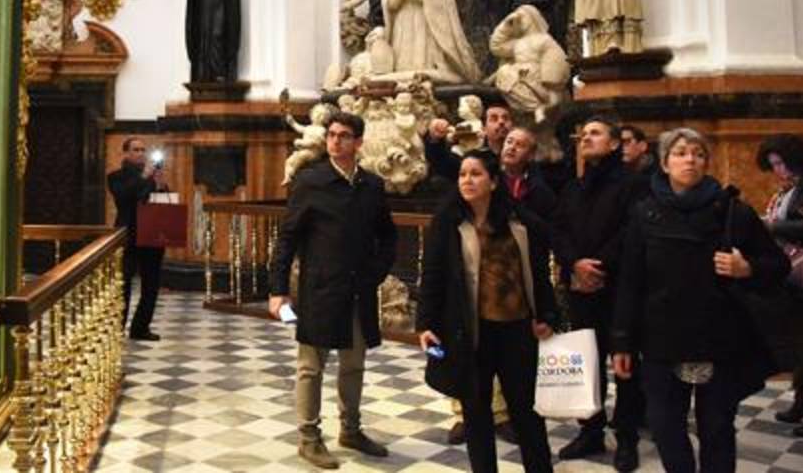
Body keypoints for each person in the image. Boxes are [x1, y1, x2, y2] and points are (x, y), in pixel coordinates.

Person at [613, 128, 790, 472]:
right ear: (664, 163)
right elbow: (630, 283)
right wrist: (621, 341)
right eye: (680, 153)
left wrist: (746, 267)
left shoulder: (733, 211)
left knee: (718, 428)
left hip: (719, 338)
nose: (689, 160)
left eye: (697, 153)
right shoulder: (644, 214)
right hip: (662, 339)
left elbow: (778, 265)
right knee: (666, 427)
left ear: (706, 162)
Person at [268, 112, 398, 469]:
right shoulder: (310, 181)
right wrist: (278, 290)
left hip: (359, 289)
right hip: (320, 289)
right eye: (332, 135)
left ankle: (351, 429)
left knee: (354, 364)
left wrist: (376, 271)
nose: (335, 141)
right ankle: (309, 438)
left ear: (358, 143)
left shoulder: (371, 185)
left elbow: (387, 235)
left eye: (344, 136)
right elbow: (287, 238)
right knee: (311, 367)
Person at [417, 150, 558, 473]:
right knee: (477, 414)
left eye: (476, 174)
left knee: (526, 413)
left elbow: (538, 275)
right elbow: (433, 277)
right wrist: (425, 323)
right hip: (471, 332)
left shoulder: (520, 223)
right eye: (463, 174)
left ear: (493, 182)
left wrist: (548, 316)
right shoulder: (448, 222)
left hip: (516, 330)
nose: (467, 180)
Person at [553, 117, 645, 471]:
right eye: (583, 134)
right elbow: (558, 230)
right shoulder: (574, 187)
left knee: (624, 367)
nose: (585, 138)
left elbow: (631, 232)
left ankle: (626, 439)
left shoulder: (633, 185)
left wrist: (597, 266)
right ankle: (590, 431)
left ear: (613, 144)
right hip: (581, 288)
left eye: (595, 133)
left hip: (617, 288)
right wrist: (575, 263)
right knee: (585, 363)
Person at [756, 134, 803, 438]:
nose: (777, 170)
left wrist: (772, 226)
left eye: (780, 163)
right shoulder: (795, 188)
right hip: (792, 276)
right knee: (801, 344)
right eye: (773, 164)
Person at [107, 137, 167, 341]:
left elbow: (162, 204)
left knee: (151, 285)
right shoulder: (115, 177)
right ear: (126, 153)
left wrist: (160, 186)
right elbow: (124, 197)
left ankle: (140, 328)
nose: (141, 153)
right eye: (136, 149)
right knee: (123, 284)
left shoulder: (152, 177)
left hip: (152, 235)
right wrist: (144, 177)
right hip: (128, 235)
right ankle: (117, 328)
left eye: (143, 149)